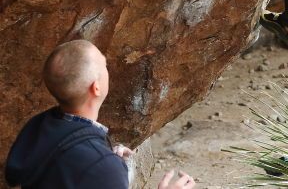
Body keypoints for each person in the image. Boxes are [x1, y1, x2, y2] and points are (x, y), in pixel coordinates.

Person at [5, 40, 195, 189]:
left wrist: (104, 156)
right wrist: (104, 164)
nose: (108, 70)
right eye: (104, 65)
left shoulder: (38, 127)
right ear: (95, 88)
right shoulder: (101, 166)